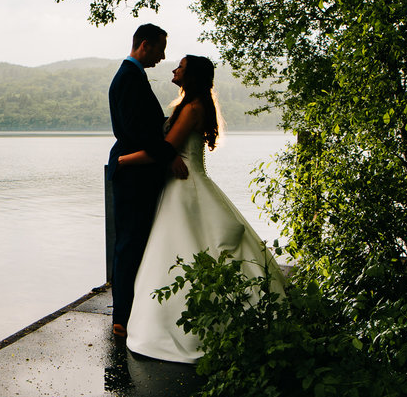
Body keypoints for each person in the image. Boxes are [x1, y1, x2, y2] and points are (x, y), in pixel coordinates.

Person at [119, 55, 285, 363]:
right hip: (183, 185)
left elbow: (166, 149)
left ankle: (187, 327)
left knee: (184, 250)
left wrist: (121, 161)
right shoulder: (191, 105)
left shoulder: (193, 108)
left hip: (186, 187)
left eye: (180, 66)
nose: (174, 69)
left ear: (191, 75)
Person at [107, 24, 188, 339]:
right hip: (133, 175)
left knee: (137, 242)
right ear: (145, 45)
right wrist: (168, 154)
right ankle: (121, 318)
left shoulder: (132, 76)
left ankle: (130, 312)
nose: (163, 56)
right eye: (160, 48)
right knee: (129, 243)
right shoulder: (128, 78)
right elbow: (135, 131)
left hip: (139, 173)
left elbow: (146, 125)